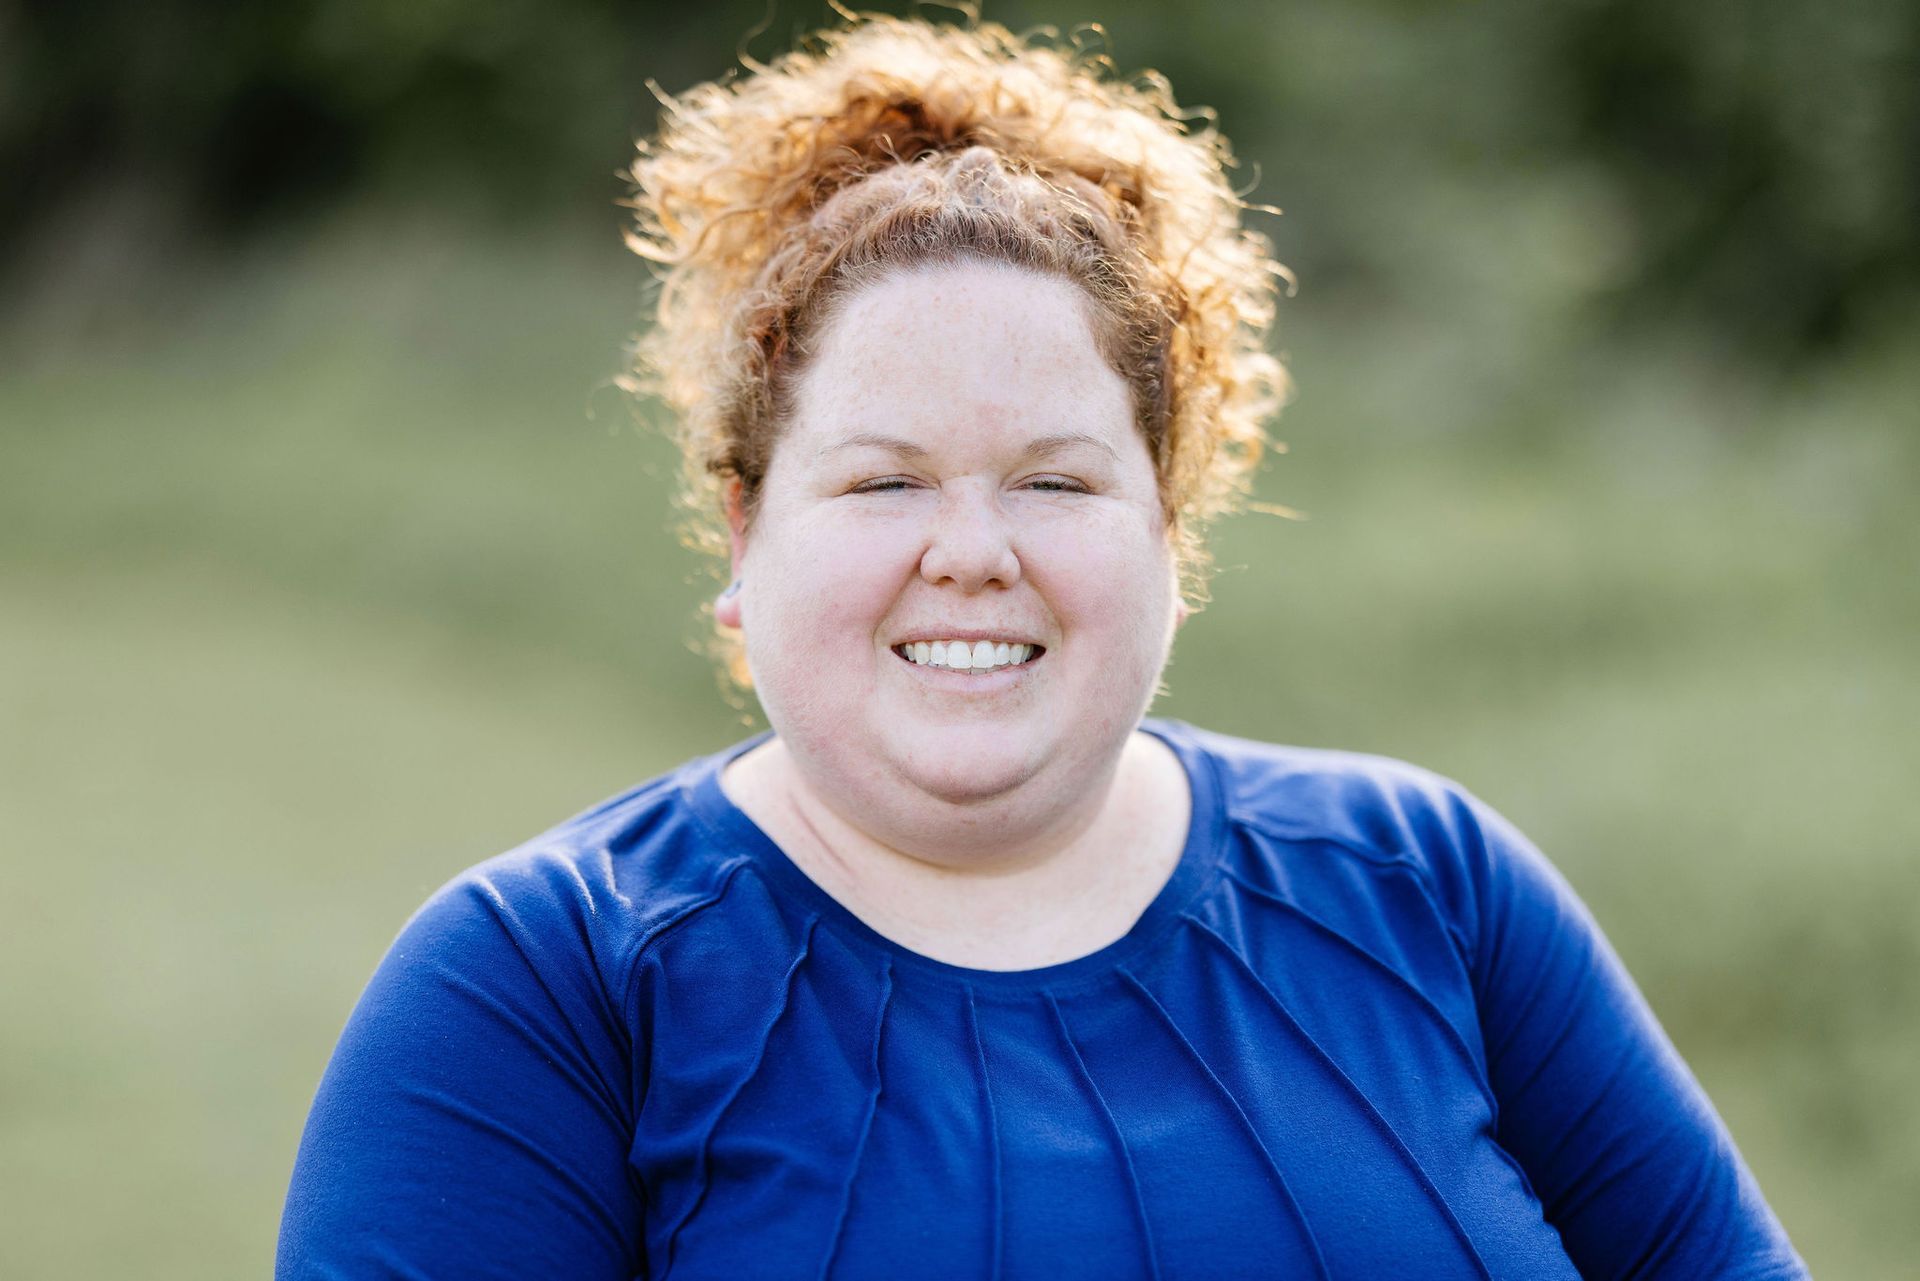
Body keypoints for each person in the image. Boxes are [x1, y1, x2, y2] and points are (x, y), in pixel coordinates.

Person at [276, 15, 1809, 1279]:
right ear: (746, 540)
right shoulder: (543, 986)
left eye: (1056, 481)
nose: (971, 549)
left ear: (1168, 535)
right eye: (882, 480)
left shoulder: (1426, 880)